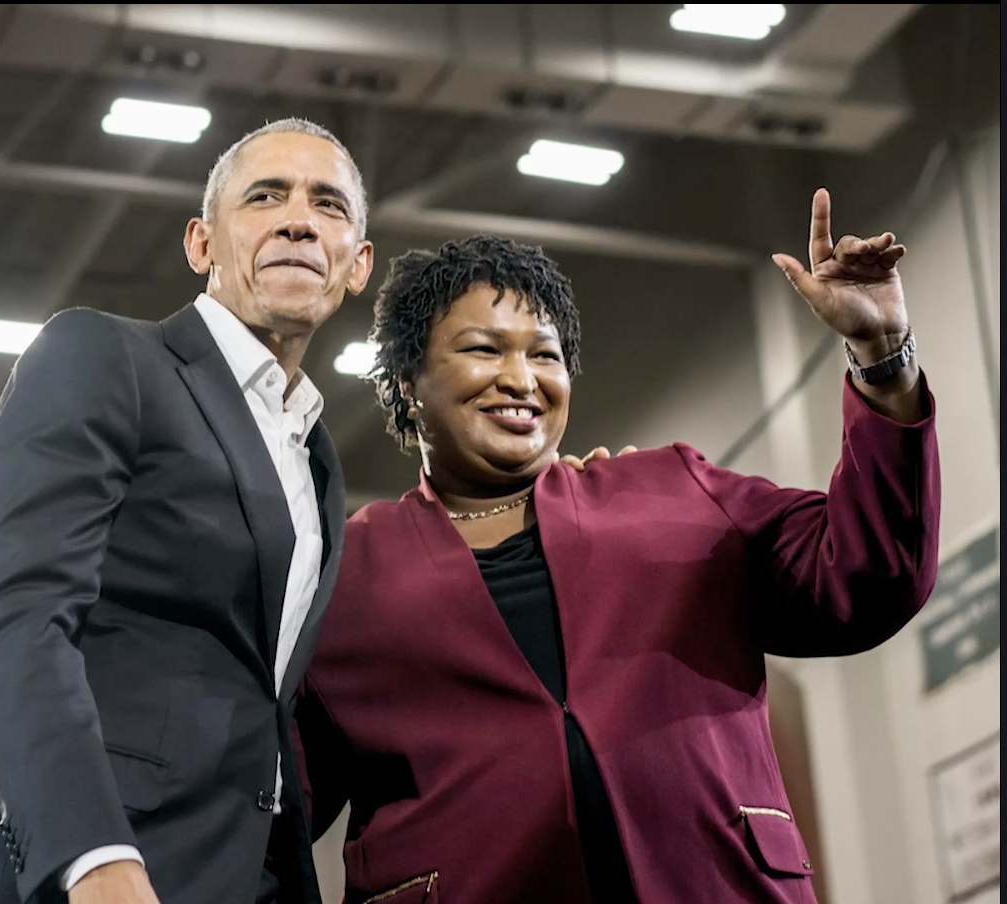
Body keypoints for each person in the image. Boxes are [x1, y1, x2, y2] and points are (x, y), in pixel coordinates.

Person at [293, 190, 938, 904]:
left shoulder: (674, 488)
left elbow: (872, 574)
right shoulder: (342, 576)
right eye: (482, 349)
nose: (521, 378)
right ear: (409, 383)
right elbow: (269, 811)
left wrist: (884, 359)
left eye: (545, 354)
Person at [0, 117, 375, 904]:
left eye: (328, 205)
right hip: (87, 869)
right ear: (200, 245)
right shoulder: (105, 357)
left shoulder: (319, 460)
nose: (300, 219)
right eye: (266, 196)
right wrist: (91, 855)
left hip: (234, 871)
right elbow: (17, 617)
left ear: (357, 265)